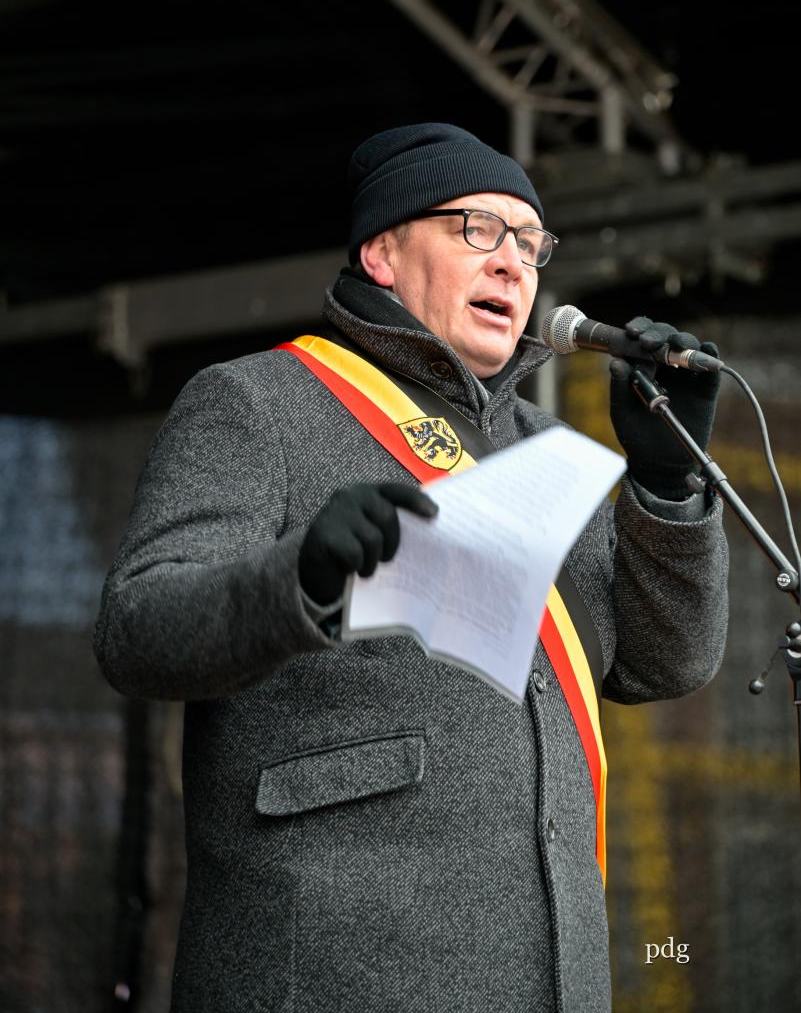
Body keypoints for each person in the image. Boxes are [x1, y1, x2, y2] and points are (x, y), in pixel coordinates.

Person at [95, 122, 728, 1013]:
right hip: (327, 972)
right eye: (477, 228)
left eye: (530, 243)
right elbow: (136, 631)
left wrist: (665, 487)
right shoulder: (258, 402)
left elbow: (663, 664)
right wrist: (299, 581)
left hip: (548, 979)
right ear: (382, 252)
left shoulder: (546, 449)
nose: (511, 262)